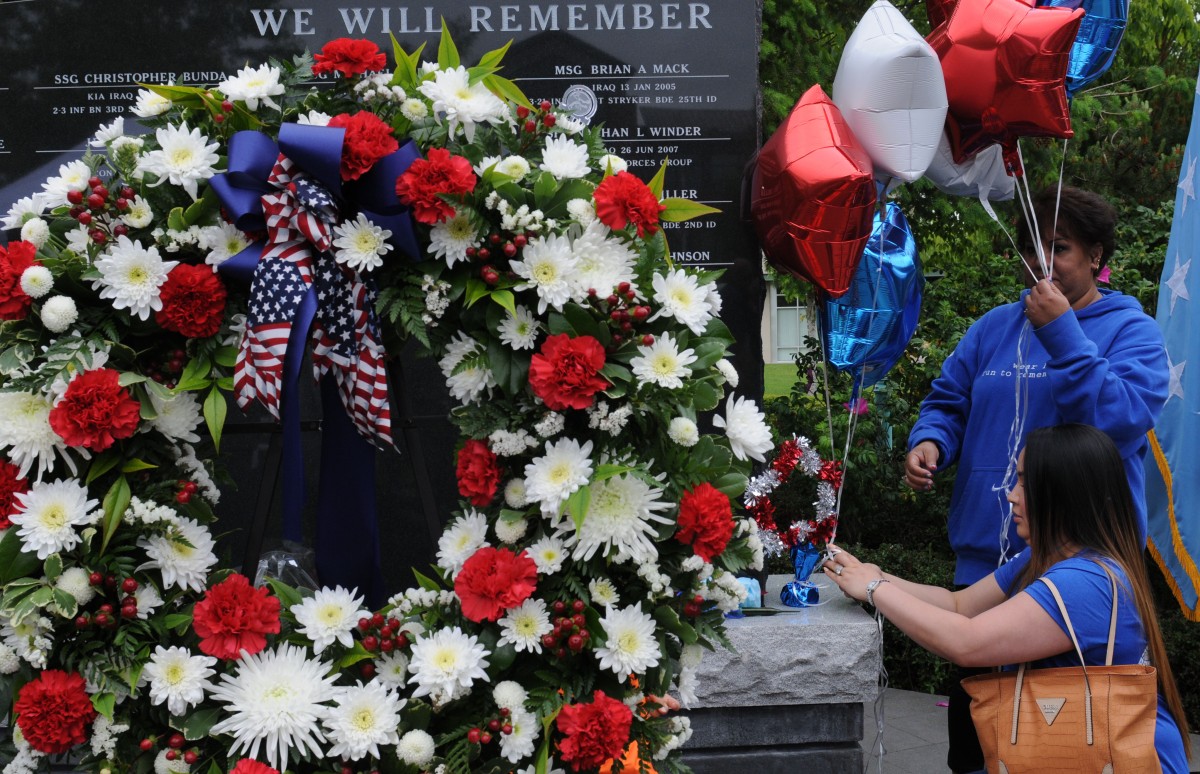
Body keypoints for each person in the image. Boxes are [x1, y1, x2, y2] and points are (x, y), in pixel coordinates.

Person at [903, 185, 1169, 772]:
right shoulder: (993, 328)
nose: (1042, 263)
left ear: (1097, 255)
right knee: (974, 751)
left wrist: (1063, 333)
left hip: (1073, 576)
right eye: (1032, 248)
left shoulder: (1133, 332)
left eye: (1061, 247)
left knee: (1059, 746)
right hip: (982, 571)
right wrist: (931, 440)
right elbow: (950, 399)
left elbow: (1119, 421)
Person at [829, 424, 1189, 772]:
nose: (1011, 493)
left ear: (1062, 494)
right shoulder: (1047, 557)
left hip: (1116, 758)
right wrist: (873, 574)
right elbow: (960, 605)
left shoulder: (1085, 581)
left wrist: (875, 591)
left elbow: (967, 642)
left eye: (1023, 481)